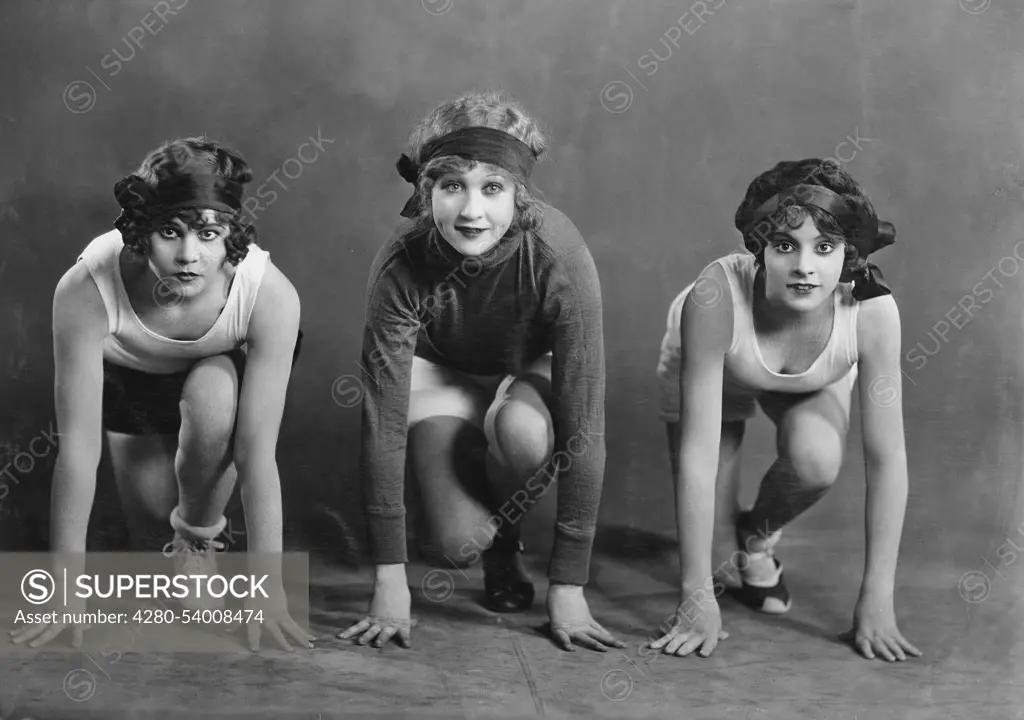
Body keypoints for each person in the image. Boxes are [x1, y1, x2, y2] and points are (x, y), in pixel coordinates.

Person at [338, 91, 623, 653]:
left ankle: (508, 529)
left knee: (523, 433)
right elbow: (383, 423)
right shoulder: (401, 261)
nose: (472, 211)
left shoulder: (557, 253)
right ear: (426, 192)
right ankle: (491, 533)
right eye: (452, 187)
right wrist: (389, 580)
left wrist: (569, 582)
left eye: (492, 188)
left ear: (520, 194)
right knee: (455, 546)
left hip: (525, 369)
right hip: (441, 372)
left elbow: (584, 421)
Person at [9, 137, 310, 652]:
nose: (189, 256)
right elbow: (78, 453)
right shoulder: (86, 286)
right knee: (147, 549)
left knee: (215, 388)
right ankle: (171, 533)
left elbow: (256, 457)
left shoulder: (270, 294)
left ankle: (197, 535)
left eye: (209, 235)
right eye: (170, 232)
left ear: (231, 237)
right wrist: (63, 593)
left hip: (218, 383)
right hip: (133, 386)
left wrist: (269, 593)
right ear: (140, 231)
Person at [651, 159, 923, 662]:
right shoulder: (715, 298)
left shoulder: (873, 311)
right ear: (757, 249)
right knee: (716, 570)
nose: (805, 266)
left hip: (815, 377)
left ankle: (757, 536)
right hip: (724, 366)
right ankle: (727, 554)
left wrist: (878, 598)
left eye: (825, 248)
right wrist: (694, 595)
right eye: (784, 246)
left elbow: (887, 461)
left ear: (849, 253)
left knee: (817, 461)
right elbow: (698, 456)